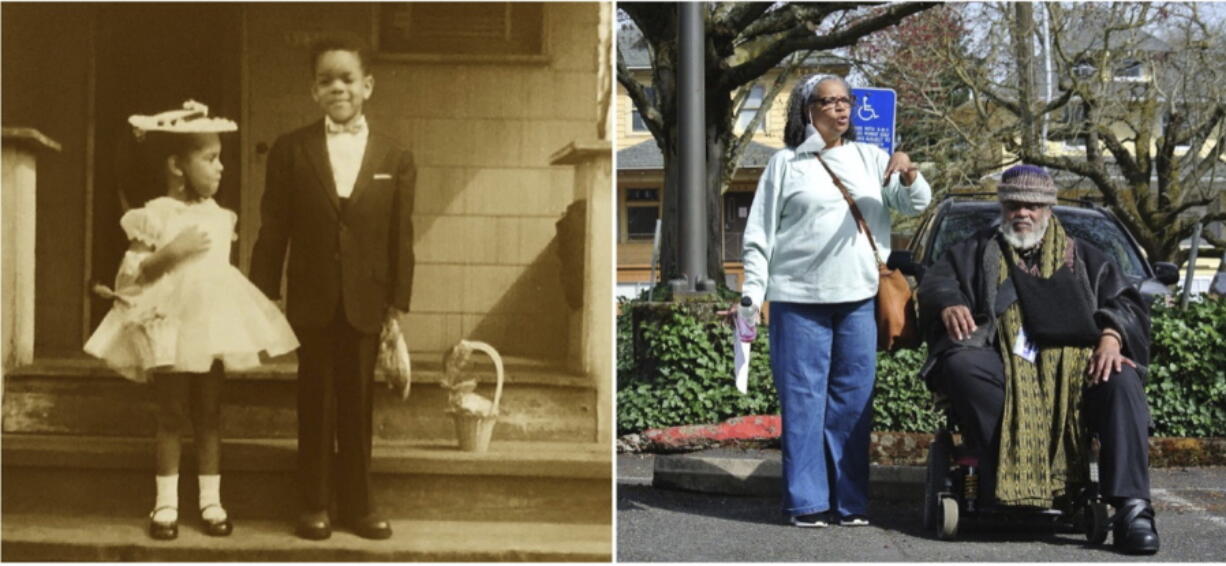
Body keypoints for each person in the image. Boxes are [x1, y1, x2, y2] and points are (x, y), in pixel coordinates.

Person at [916, 164, 1160, 554]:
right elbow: (936, 282)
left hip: (1077, 369)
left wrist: (1112, 338)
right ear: (1003, 206)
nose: (1023, 213)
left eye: (1033, 205)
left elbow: (1125, 302)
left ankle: (1133, 511)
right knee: (961, 365)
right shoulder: (973, 251)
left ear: (1049, 210)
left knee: (1122, 380)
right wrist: (948, 303)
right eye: (1014, 204)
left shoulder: (1085, 258)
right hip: (1000, 366)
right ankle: (1006, 473)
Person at [84, 100, 300, 540]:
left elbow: (216, 278)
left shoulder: (222, 218)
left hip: (208, 327)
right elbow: (129, 277)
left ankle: (210, 501)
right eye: (210, 158)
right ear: (176, 165)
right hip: (169, 324)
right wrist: (167, 255)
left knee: (209, 412)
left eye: (220, 157)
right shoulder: (154, 214)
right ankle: (165, 504)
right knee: (171, 412)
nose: (220, 167)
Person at [740, 74, 932, 527]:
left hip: (859, 298)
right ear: (808, 109)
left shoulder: (871, 157)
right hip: (797, 297)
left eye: (847, 100)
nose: (841, 109)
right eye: (830, 101)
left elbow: (913, 205)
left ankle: (851, 502)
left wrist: (909, 172)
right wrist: (753, 289)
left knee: (853, 401)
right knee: (803, 400)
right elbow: (759, 235)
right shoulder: (785, 164)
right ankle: (806, 502)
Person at [250, 36, 415, 541]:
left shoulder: (395, 155)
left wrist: (396, 308)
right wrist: (262, 297)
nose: (337, 88)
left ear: (367, 85)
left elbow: (400, 235)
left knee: (358, 403)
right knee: (315, 399)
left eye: (347, 78)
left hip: (367, 300)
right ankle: (314, 503)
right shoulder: (291, 149)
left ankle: (360, 505)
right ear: (312, 91)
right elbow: (273, 227)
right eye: (326, 80)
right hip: (312, 297)